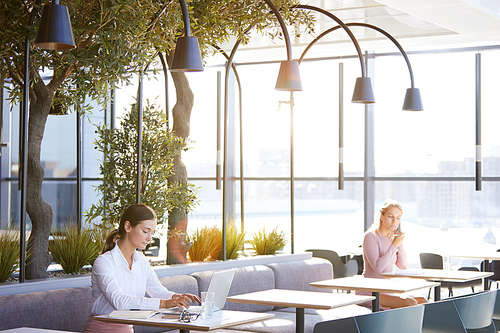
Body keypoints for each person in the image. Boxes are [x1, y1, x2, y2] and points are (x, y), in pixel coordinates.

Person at [83, 204, 201, 333]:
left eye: (152, 233)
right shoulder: (104, 262)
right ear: (127, 227)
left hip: (128, 329)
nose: (150, 238)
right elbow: (119, 302)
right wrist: (165, 303)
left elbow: (159, 292)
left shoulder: (141, 260)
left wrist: (176, 298)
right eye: (145, 231)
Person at [360, 199, 427, 309]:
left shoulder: (391, 239)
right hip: (371, 290)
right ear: (381, 216)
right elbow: (378, 268)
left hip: (388, 288)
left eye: (398, 218)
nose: (394, 221)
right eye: (390, 216)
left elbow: (403, 266)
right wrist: (395, 245)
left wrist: (398, 242)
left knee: (423, 301)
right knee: (410, 303)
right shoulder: (370, 237)